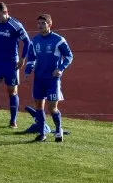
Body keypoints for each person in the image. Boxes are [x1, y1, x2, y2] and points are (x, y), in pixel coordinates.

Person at [22, 14, 74, 143]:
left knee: (52, 108)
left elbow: (69, 56)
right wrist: (28, 70)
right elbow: (31, 58)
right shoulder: (35, 41)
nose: (40, 26)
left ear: (49, 25)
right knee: (39, 106)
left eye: (43, 23)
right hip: (39, 79)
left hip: (52, 80)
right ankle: (42, 133)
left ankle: (58, 130)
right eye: (38, 23)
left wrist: (61, 68)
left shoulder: (58, 40)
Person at [0, 2, 29, 129]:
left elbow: (27, 41)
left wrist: (22, 59)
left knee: (12, 91)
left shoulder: (16, 25)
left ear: (6, 12)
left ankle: (13, 121)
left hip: (11, 63)